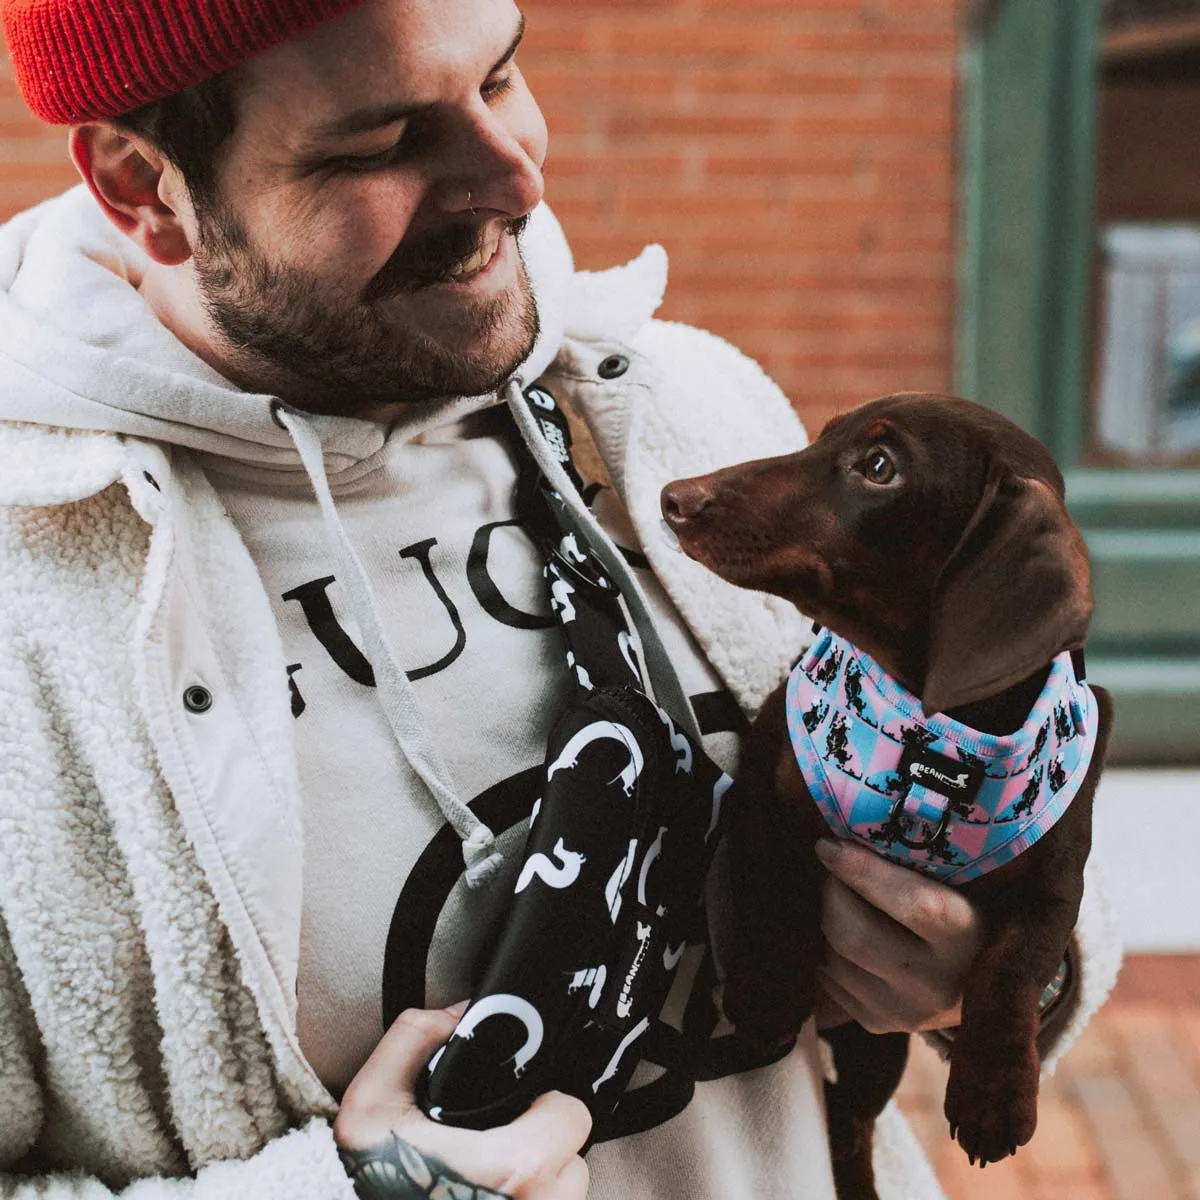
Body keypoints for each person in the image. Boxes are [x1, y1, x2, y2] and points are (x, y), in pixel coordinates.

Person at [0, 0, 1120, 1196]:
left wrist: (980, 977)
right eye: (382, 143)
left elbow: (982, 791)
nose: (515, 179)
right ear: (141, 184)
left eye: (501, 78)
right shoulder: (31, 613)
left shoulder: (680, 404)